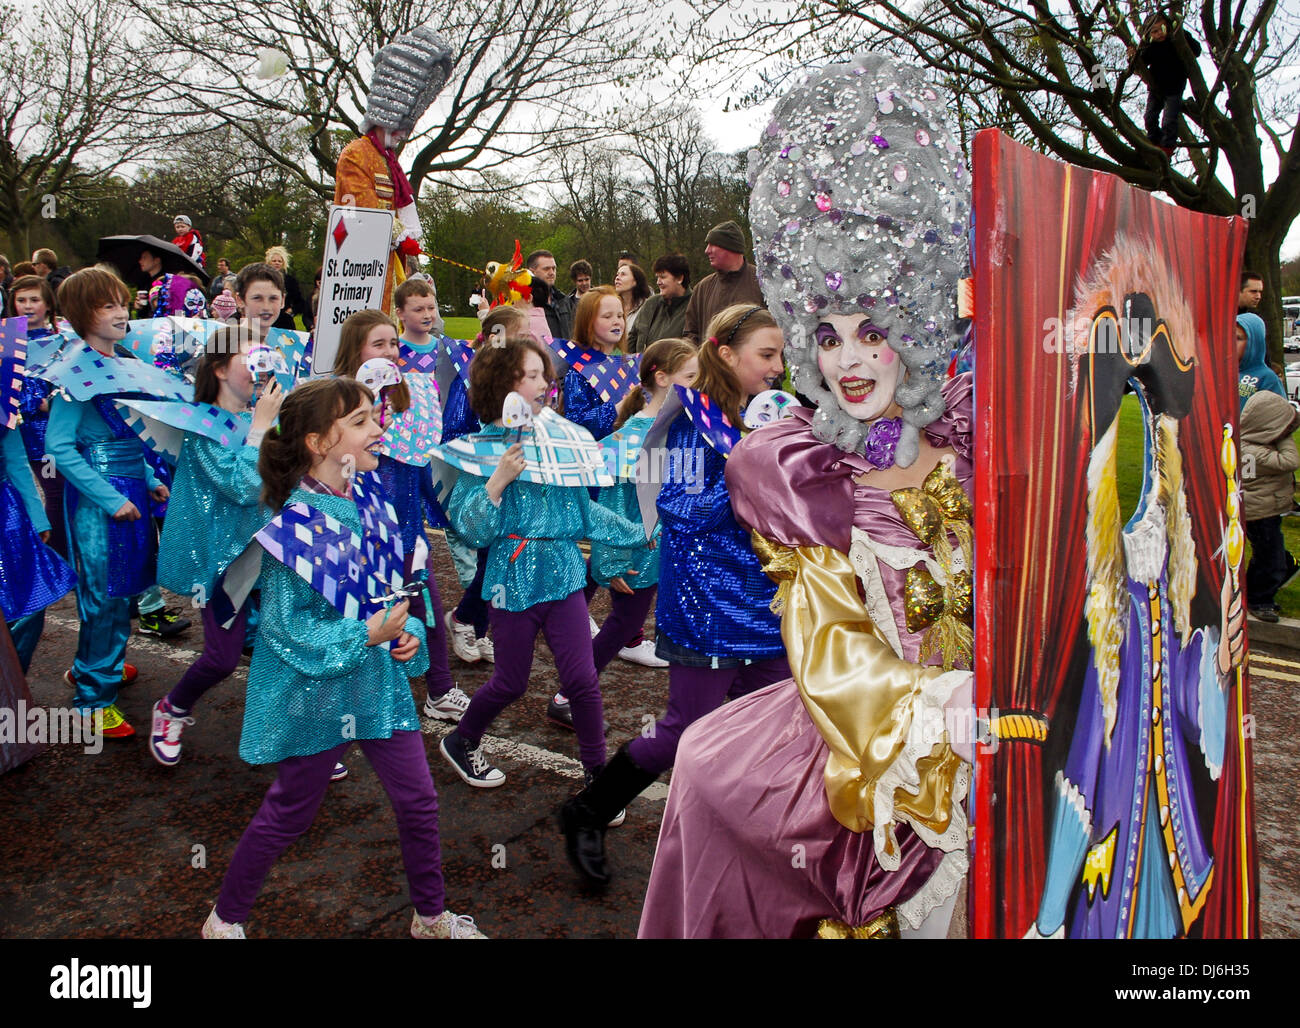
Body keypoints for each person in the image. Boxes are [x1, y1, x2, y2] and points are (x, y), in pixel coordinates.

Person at [633, 55, 977, 937]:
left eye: (874, 333)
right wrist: (943, 714)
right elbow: (826, 652)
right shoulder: (799, 471)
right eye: (826, 336)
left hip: (1009, 740)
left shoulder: (973, 444)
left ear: (922, 329)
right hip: (885, 756)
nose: (848, 360)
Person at [201, 377, 484, 940]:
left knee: (420, 802)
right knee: (291, 812)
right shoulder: (291, 526)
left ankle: (430, 918)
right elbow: (287, 629)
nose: (379, 428)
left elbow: (381, 598)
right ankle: (225, 918)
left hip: (376, 683)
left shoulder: (370, 499)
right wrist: (370, 637)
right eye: (359, 421)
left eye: (373, 417)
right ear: (317, 442)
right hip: (315, 692)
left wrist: (398, 644)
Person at [559, 303, 791, 887]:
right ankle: (588, 811)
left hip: (770, 608)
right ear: (726, 353)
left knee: (774, 726)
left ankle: (746, 845)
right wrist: (750, 472)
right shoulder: (687, 422)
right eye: (767, 355)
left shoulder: (774, 416)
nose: (778, 367)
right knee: (684, 731)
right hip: (709, 607)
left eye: (781, 354)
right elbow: (679, 510)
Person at [436, 337, 643, 789]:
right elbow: (471, 529)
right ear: (503, 385)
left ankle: (596, 776)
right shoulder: (480, 449)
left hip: (565, 576)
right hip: (513, 580)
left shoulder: (559, 439)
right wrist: (497, 481)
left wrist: (639, 534)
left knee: (583, 682)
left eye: (544, 375)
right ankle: (462, 740)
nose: (545, 383)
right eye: (531, 376)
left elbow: (585, 514)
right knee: (511, 683)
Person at [45, 269, 177, 738]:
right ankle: (90, 701)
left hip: (130, 491)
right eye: (107, 305)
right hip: (101, 501)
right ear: (82, 314)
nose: (121, 312)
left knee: (125, 587)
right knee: (102, 597)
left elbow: (127, 433)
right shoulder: (73, 370)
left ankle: (99, 666)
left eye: (122, 301)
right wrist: (109, 497)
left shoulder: (117, 361)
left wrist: (145, 479)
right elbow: (60, 447)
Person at [149, 328, 285, 765]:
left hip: (267, 554)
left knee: (284, 646)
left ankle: (296, 739)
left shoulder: (257, 420)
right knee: (222, 659)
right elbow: (242, 484)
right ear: (221, 369)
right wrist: (262, 429)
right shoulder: (202, 426)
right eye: (251, 358)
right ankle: (172, 708)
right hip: (223, 565)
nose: (261, 368)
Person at [332, 309, 470, 724]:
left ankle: (440, 689)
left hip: (408, 533)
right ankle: (341, 715)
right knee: (359, 619)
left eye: (393, 343)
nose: (391, 351)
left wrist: (443, 510)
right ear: (355, 350)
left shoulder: (413, 397)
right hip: (358, 534)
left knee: (425, 605)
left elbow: (419, 465)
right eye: (379, 344)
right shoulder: (334, 405)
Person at [553, 338, 698, 723]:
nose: (700, 385)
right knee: (623, 625)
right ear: (663, 378)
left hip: (661, 553)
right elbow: (612, 508)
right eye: (691, 376)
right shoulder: (633, 439)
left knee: (630, 623)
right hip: (636, 558)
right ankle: (568, 695)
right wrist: (612, 560)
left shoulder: (685, 429)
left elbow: (690, 492)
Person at [333, 26, 453, 315]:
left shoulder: (389, 161)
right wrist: (399, 234)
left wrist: (407, 237)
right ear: (384, 117)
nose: (403, 133)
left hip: (387, 264)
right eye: (400, 125)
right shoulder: (355, 154)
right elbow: (361, 213)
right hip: (357, 267)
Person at [441, 307, 530, 666]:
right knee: (490, 560)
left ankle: (478, 627)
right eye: (521, 334)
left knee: (505, 559)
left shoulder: (521, 374)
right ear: (498, 336)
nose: (529, 340)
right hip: (487, 479)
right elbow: (461, 427)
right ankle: (463, 618)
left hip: (514, 473)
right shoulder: (479, 376)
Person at [10, 275, 70, 558]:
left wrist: (57, 399)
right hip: (29, 438)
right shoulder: (8, 342)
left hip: (63, 432)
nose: (28, 306)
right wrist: (36, 401)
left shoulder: (62, 340)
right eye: (21, 300)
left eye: (34, 299)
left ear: (47, 304)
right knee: (54, 492)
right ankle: (57, 557)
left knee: (66, 492)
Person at [1240, 389, 1300, 623]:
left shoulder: (1251, 443)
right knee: (1270, 558)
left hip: (1265, 509)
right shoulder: (1251, 451)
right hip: (1259, 512)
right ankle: (1259, 599)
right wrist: (1283, 437)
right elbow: (1290, 462)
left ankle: (1259, 589)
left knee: (1270, 555)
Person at [560, 286, 627, 441]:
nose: (616, 322)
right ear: (588, 322)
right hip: (600, 456)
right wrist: (619, 407)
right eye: (607, 316)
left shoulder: (627, 364)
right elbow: (577, 425)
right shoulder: (578, 372)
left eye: (620, 316)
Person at [1129, 13, 1202, 154]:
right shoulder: (1151, 46)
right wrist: (1133, 57)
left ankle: (1167, 145)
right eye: (1154, 31)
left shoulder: (1176, 39)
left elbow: (1196, 51)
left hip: (1175, 86)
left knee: (1169, 120)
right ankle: (1154, 141)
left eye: (1162, 29)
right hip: (1157, 87)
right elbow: (1140, 63)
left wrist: (1183, 34)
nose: (1159, 34)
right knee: (1149, 117)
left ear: (1168, 27)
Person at [681, 221, 763, 344]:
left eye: (713, 244)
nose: (707, 251)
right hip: (710, 363)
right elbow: (690, 334)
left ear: (730, 247)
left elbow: (778, 329)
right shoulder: (702, 288)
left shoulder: (762, 283)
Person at [627, 254, 691, 352]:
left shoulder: (695, 305)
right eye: (657, 277)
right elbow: (633, 337)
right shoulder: (651, 304)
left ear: (679, 278)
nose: (658, 282)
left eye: (663, 277)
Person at [1237, 311, 1284, 409]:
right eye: (1228, 337)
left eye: (1238, 338)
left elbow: (1278, 417)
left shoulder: (1267, 378)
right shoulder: (1220, 372)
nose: (1231, 343)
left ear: (1254, 342)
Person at [526, 249, 574, 339]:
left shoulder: (564, 300)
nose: (552, 273)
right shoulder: (525, 303)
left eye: (554, 268)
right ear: (532, 272)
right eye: (546, 269)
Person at [612, 262, 650, 337]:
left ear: (635, 281)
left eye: (623, 274)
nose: (617, 278)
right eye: (617, 275)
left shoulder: (646, 308)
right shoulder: (612, 307)